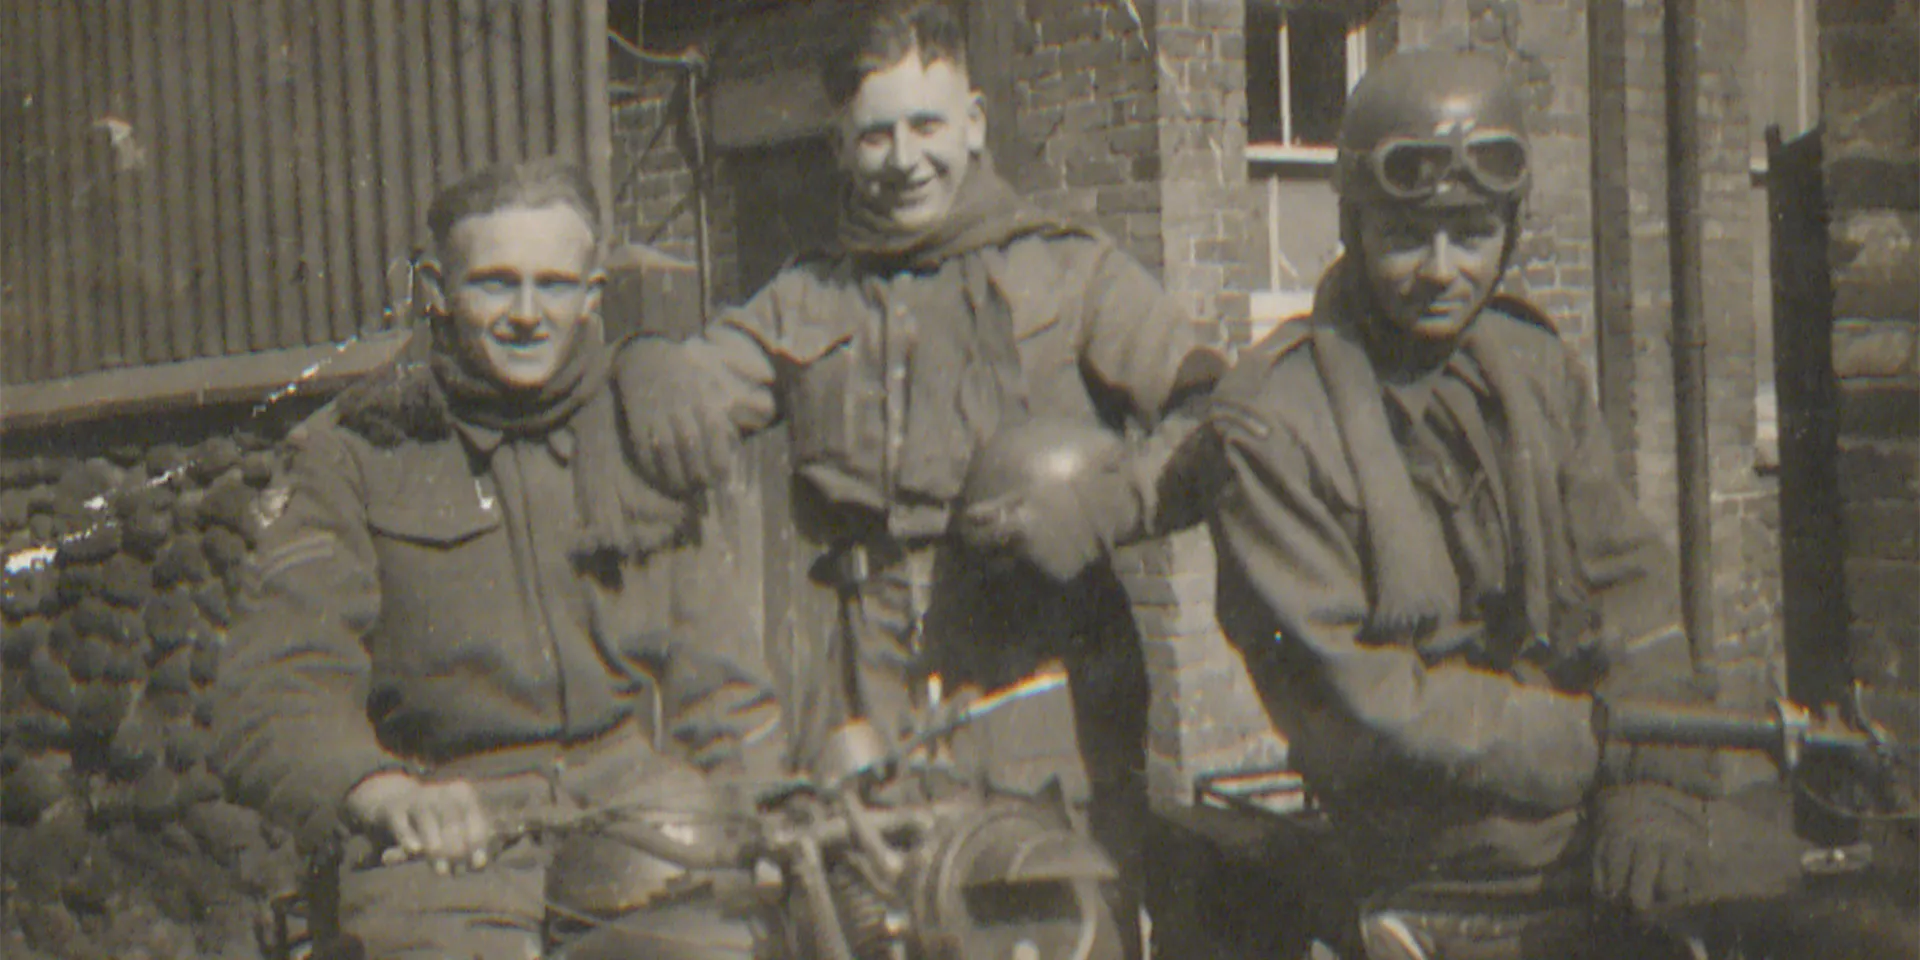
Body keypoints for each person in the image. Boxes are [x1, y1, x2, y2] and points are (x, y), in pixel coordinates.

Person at [615, 0, 1220, 948]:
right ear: (840, 147)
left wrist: (1115, 501)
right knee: (877, 917)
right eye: (876, 134)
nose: (904, 160)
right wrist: (643, 359)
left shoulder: (1071, 271)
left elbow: (1216, 415)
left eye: (927, 126)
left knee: (1059, 918)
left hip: (1041, 660)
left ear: (973, 123)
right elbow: (694, 384)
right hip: (866, 676)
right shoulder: (808, 293)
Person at [1195, 49, 1717, 959]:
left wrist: (1658, 783)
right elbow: (1365, 697)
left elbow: (1629, 590)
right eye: (1405, 235)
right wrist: (1590, 742)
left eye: (1472, 231)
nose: (1443, 270)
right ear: (1352, 227)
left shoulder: (1531, 370)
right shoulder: (1275, 421)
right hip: (1419, 857)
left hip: (1587, 815)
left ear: (1509, 233)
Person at [213, 158, 778, 959]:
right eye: (495, 284)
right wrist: (376, 789)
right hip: (445, 836)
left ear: (592, 295)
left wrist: (758, 814)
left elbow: (725, 683)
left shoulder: (639, 427)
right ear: (437, 290)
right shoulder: (362, 452)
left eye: (552, 285)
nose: (526, 314)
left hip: (636, 810)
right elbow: (274, 687)